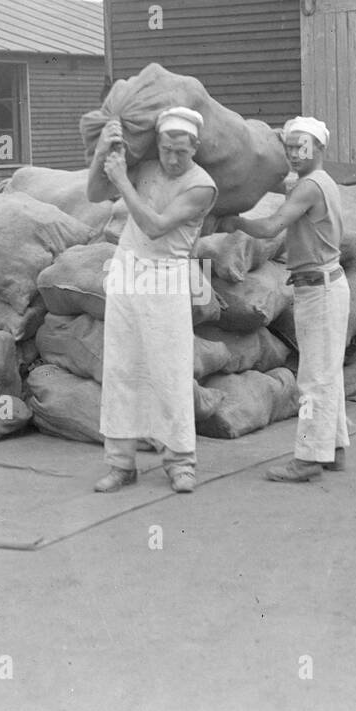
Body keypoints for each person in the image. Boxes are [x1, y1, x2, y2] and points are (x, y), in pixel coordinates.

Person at [87, 107, 218, 494]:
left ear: (195, 146)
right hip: (127, 270)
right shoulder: (144, 167)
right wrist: (103, 153)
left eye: (182, 151)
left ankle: (181, 461)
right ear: (158, 143)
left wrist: (121, 181)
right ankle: (120, 462)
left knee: (170, 371)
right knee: (121, 369)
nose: (173, 159)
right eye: (166, 149)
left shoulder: (202, 186)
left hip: (168, 277)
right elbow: (94, 193)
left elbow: (155, 226)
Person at [221, 116, 349, 482]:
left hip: (320, 290)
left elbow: (272, 226)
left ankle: (308, 459)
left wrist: (237, 221)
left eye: (301, 146)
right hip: (322, 286)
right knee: (326, 373)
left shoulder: (309, 187)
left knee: (313, 379)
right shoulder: (317, 182)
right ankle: (334, 448)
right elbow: (285, 189)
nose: (294, 153)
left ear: (320, 148)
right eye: (289, 147)